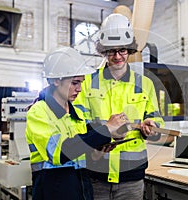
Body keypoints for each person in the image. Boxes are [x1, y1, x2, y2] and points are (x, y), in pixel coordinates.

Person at [74, 13, 164, 200]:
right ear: (103, 51)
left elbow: (156, 121)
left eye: (122, 50)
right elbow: (77, 124)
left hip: (131, 177)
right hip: (96, 173)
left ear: (130, 50)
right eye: (111, 51)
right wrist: (104, 132)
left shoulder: (144, 84)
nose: (117, 56)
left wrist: (152, 126)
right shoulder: (87, 83)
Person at [25, 47, 128, 200]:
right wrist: (106, 129)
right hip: (52, 192)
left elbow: (81, 151)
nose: (79, 89)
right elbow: (58, 153)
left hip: (82, 191)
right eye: (75, 83)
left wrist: (96, 153)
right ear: (55, 80)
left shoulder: (77, 113)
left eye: (81, 83)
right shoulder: (39, 112)